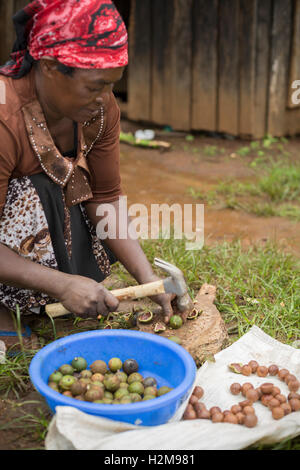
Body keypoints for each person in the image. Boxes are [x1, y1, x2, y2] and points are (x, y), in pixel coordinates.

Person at [0, 0, 176, 351]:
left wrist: (148, 280)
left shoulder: (99, 109)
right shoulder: (5, 117)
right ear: (49, 67)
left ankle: (35, 296)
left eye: (112, 84)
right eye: (95, 86)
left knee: (70, 180)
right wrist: (63, 284)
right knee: (35, 190)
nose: (105, 98)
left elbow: (106, 197)